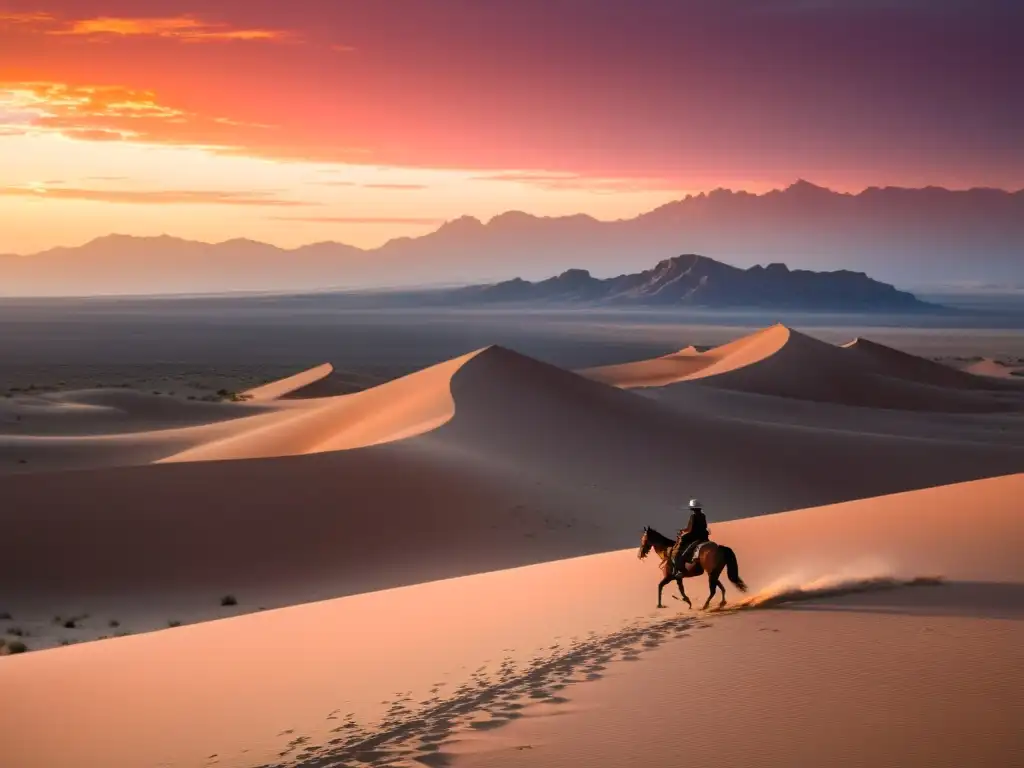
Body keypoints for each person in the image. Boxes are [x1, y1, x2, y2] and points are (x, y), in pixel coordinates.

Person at [675, 498, 710, 569]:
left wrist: (682, 530)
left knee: (683, 539)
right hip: (704, 536)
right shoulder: (703, 515)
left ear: (693, 509)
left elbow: (689, 529)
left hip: (695, 536)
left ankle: (681, 558)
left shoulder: (693, 516)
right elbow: (705, 526)